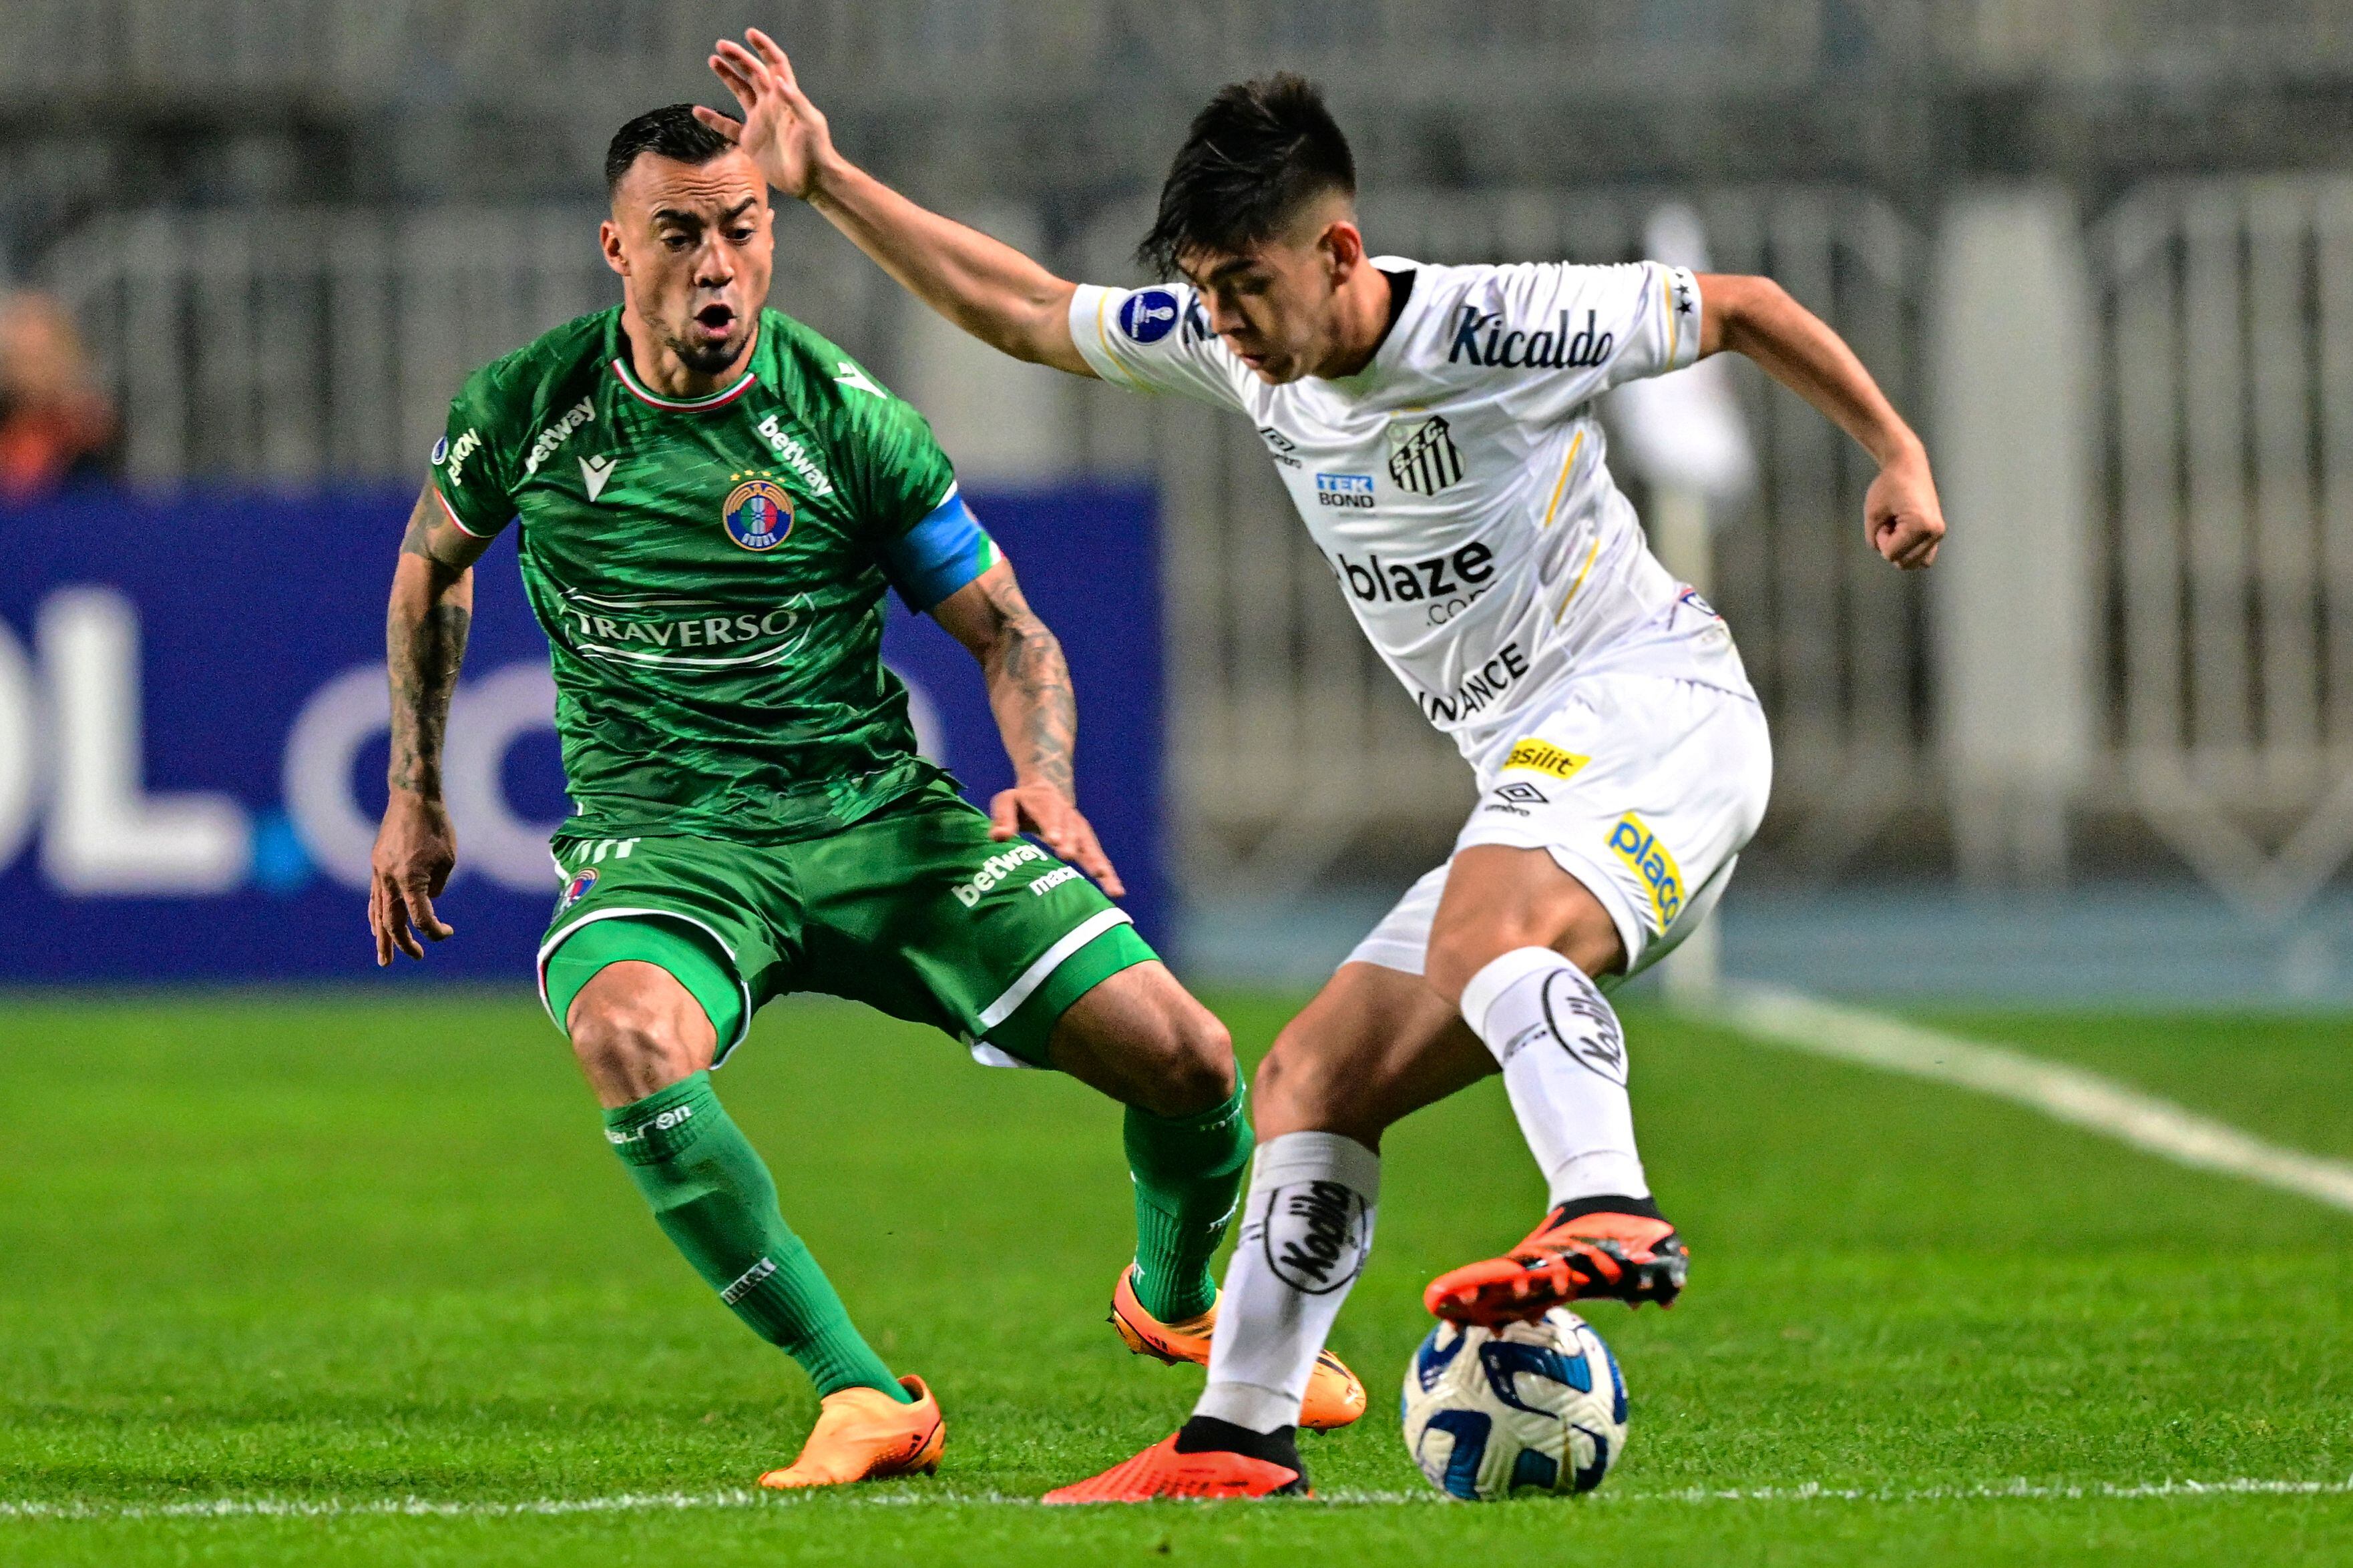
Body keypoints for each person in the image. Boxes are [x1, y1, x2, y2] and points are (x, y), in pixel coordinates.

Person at [698, 34, 1946, 1501]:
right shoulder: (1248, 352)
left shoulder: (1494, 323)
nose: (1222, 328)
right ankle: (1239, 1433)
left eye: (1245, 292)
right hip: (1537, 763)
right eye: (1208, 296)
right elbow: (1029, 310)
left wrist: (1898, 453)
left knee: (1489, 921)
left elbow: (1741, 307)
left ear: (1336, 248)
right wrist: (829, 179)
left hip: (1652, 708)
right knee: (1311, 1078)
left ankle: (1606, 1201)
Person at [364, 103, 1365, 1492]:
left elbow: (1010, 634)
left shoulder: (844, 418)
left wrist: (1047, 786)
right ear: (616, 249)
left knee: (1192, 1059)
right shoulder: (526, 407)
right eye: (679, 233)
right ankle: (861, 1392)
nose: (716, 261)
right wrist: (416, 791)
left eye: (741, 226)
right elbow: (431, 565)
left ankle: (1180, 1297)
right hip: (670, 847)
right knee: (626, 1034)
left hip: (879, 825)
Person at [0, 292, 116, 500]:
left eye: (43, 360)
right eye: (24, 361)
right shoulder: (8, 426)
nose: (33, 375)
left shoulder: (90, 434)